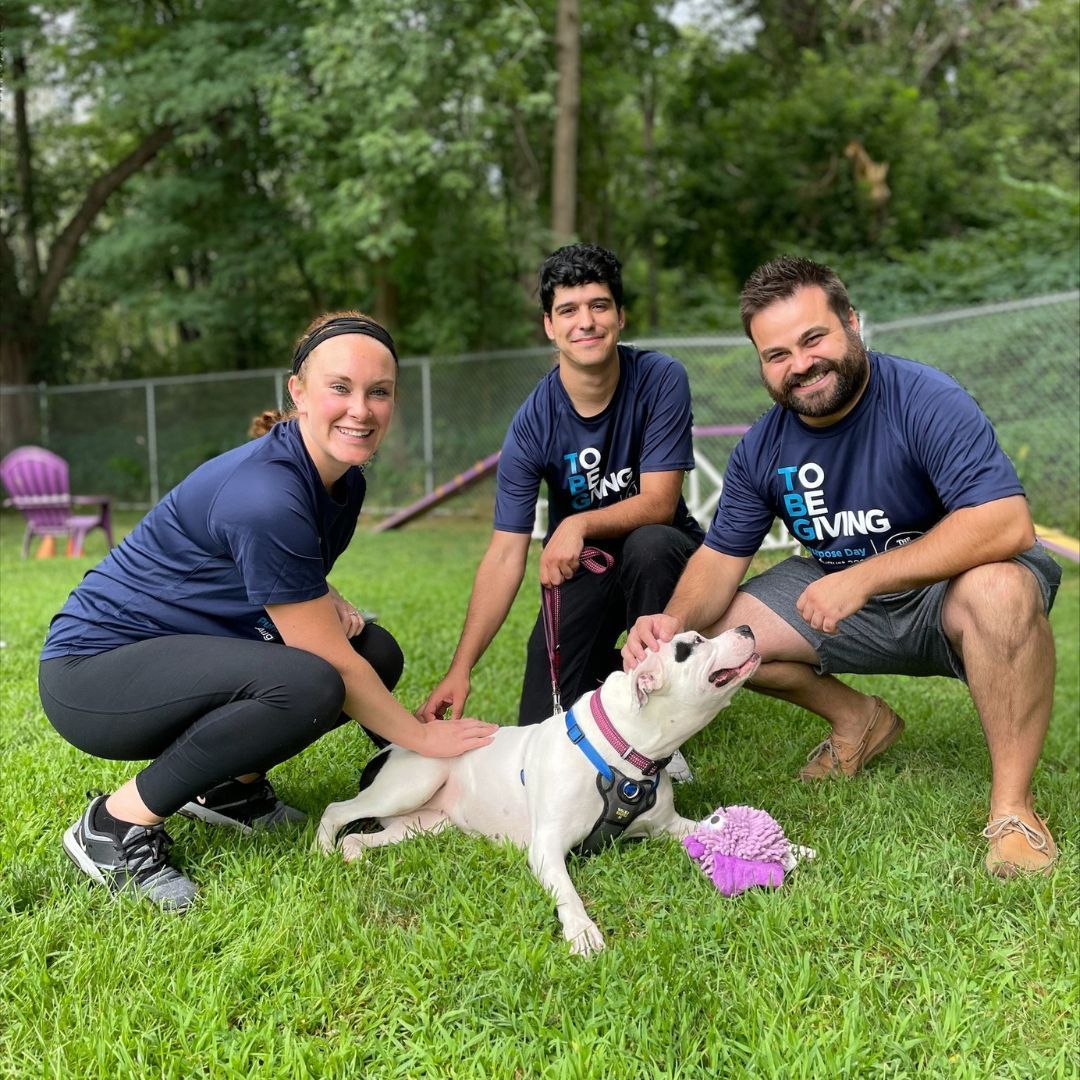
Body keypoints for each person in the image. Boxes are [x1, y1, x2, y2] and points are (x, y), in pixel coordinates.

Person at [39, 311, 497, 910]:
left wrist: (324, 594)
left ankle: (233, 792)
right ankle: (114, 824)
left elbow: (272, 564)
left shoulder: (342, 479)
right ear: (298, 392)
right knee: (312, 680)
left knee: (375, 652)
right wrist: (421, 738)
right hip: (94, 670)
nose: (360, 409)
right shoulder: (266, 492)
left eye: (378, 392)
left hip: (173, 650)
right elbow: (319, 647)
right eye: (340, 387)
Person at [623, 255, 1062, 878]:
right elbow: (720, 558)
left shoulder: (924, 397)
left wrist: (864, 576)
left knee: (1001, 587)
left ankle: (1013, 811)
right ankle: (859, 719)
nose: (799, 365)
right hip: (840, 600)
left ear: (852, 324)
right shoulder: (763, 446)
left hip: (948, 595)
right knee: (719, 636)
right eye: (777, 355)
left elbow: (1005, 523)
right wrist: (668, 624)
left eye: (813, 338)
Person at [419, 244, 705, 773]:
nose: (586, 322)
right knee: (541, 727)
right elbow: (505, 554)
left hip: (663, 559)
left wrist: (577, 520)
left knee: (652, 544)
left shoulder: (661, 378)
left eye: (599, 306)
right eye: (569, 310)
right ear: (549, 326)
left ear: (620, 316)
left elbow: (661, 504)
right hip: (586, 568)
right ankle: (606, 679)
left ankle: (665, 728)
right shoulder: (533, 422)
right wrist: (461, 669)